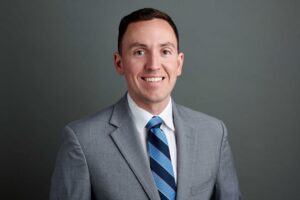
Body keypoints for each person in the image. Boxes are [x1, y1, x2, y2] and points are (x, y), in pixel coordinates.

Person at [50, 8, 241, 200]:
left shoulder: (214, 134)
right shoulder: (82, 140)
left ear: (179, 63)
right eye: (139, 52)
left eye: (165, 51)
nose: (153, 65)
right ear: (119, 63)